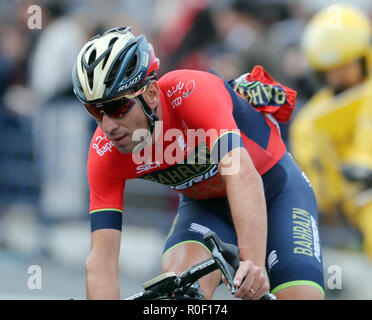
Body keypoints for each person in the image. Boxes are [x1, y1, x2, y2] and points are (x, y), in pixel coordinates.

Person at [72, 26, 324, 300]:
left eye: (117, 107)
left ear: (152, 94)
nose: (107, 125)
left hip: (275, 190)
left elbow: (241, 174)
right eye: (94, 110)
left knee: (300, 295)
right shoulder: (104, 152)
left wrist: (251, 263)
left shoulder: (191, 92)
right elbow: (101, 262)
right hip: (207, 208)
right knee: (181, 290)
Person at [290, 4, 372, 258]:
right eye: (332, 69)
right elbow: (314, 186)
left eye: (346, 65)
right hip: (354, 212)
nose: (340, 76)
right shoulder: (310, 120)